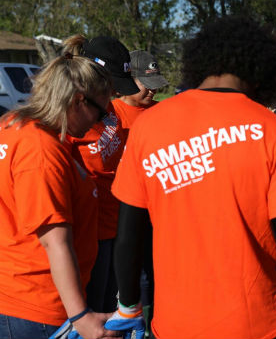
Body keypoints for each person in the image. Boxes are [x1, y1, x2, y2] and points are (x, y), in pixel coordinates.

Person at [109, 16, 276, 339]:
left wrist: (128, 305)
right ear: (261, 70)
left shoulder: (147, 128)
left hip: (174, 326)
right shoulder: (274, 130)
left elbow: (127, 235)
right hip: (254, 324)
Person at [0, 53, 118, 339]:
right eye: (100, 114)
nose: (96, 124)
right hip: (38, 307)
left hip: (16, 295)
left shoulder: (12, 125)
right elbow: (55, 242)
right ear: (78, 101)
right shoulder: (41, 150)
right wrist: (81, 316)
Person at [62, 35, 140, 314]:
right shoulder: (74, 117)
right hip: (91, 232)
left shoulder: (108, 108)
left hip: (116, 221)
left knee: (110, 306)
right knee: (94, 310)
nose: (115, 94)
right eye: (112, 85)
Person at [112, 49, 168, 338]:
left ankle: (154, 321)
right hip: (125, 207)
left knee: (157, 267)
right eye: (147, 84)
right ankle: (138, 324)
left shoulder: (160, 111)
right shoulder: (112, 114)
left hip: (158, 207)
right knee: (136, 271)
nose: (153, 91)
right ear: (127, 79)